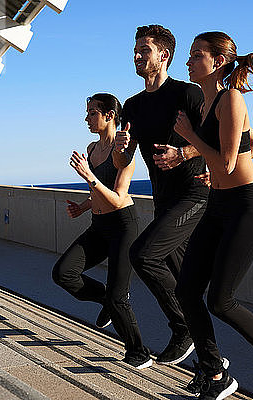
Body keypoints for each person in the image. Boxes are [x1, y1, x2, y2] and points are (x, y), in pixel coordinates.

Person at [173, 32, 253, 400]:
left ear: (219, 62)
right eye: (191, 54)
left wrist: (189, 139)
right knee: (186, 290)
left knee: (221, 300)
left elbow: (228, 160)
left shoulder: (232, 98)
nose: (190, 61)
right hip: (219, 204)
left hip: (246, 206)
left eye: (197, 55)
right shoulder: (207, 104)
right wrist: (213, 167)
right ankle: (213, 374)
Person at [113, 25, 208, 365]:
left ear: (164, 55)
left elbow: (219, 144)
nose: (137, 55)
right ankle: (213, 366)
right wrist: (120, 150)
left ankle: (182, 328)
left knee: (143, 255)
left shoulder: (189, 94)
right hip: (163, 199)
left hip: (195, 193)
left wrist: (182, 153)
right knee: (185, 285)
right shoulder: (132, 105)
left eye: (144, 50)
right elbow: (124, 161)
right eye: (135, 50)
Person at [52, 93, 151, 369]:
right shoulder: (92, 148)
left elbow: (118, 197)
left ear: (109, 115)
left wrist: (88, 176)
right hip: (98, 226)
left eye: (92, 113)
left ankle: (139, 352)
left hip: (122, 227)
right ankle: (106, 298)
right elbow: (99, 193)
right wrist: (83, 207)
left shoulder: (125, 151)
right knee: (63, 273)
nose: (86, 118)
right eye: (86, 113)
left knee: (120, 297)